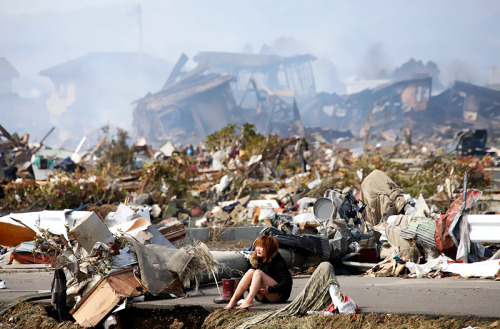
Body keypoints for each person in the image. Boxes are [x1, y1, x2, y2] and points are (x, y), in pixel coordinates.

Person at [224, 235, 292, 310]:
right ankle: (233, 300)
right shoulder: (257, 260)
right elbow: (249, 280)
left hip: (277, 296)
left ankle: (249, 300)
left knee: (258, 272)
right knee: (251, 271)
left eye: (262, 247)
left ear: (269, 249)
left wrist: (270, 289)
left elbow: (287, 282)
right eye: (257, 246)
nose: (258, 249)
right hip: (261, 297)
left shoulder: (278, 261)